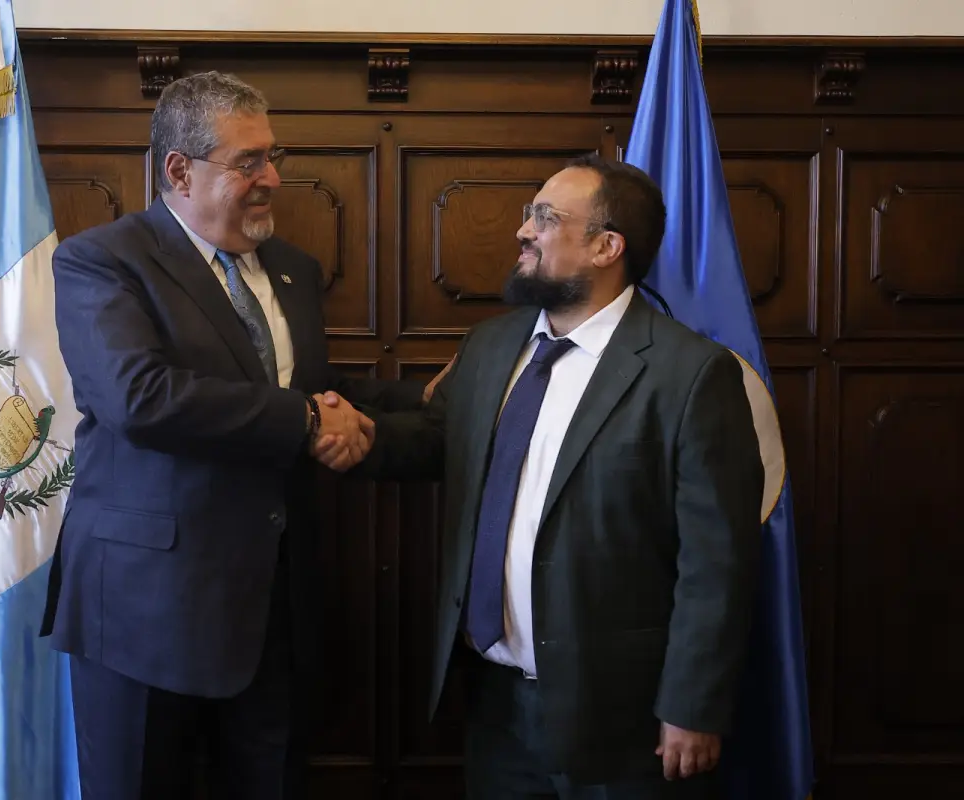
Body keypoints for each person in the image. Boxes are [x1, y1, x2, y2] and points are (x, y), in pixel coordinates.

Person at [39, 70, 433, 799]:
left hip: (273, 607)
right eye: (248, 162)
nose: (272, 178)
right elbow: (140, 397)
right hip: (144, 609)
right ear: (179, 171)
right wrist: (310, 422)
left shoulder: (292, 270)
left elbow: (302, 387)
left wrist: (425, 397)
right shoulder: (103, 260)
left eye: (272, 156)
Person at [320, 154, 764, 799]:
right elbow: (438, 440)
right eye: (531, 214)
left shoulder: (691, 374)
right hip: (494, 703)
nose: (522, 231)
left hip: (622, 716)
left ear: (607, 246)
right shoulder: (494, 344)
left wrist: (692, 706)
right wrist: (352, 436)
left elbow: (717, 561)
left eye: (546, 218)